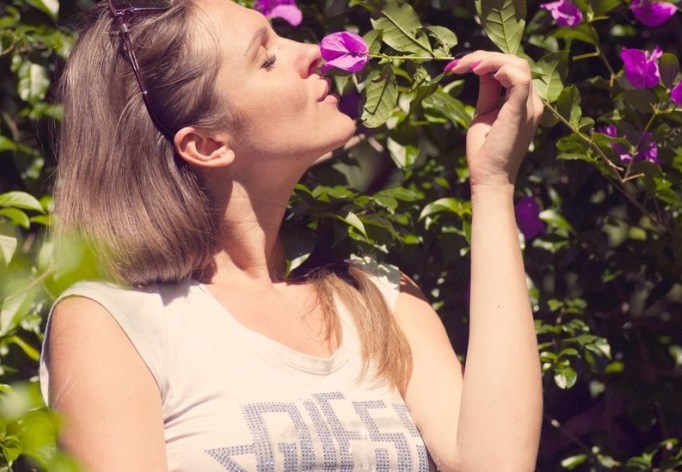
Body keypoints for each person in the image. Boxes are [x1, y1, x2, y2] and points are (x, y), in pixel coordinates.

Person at [39, 0, 545, 470]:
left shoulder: (377, 298)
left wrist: (494, 183)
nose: (312, 52)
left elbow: (496, 463)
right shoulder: (115, 323)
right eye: (267, 58)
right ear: (208, 144)